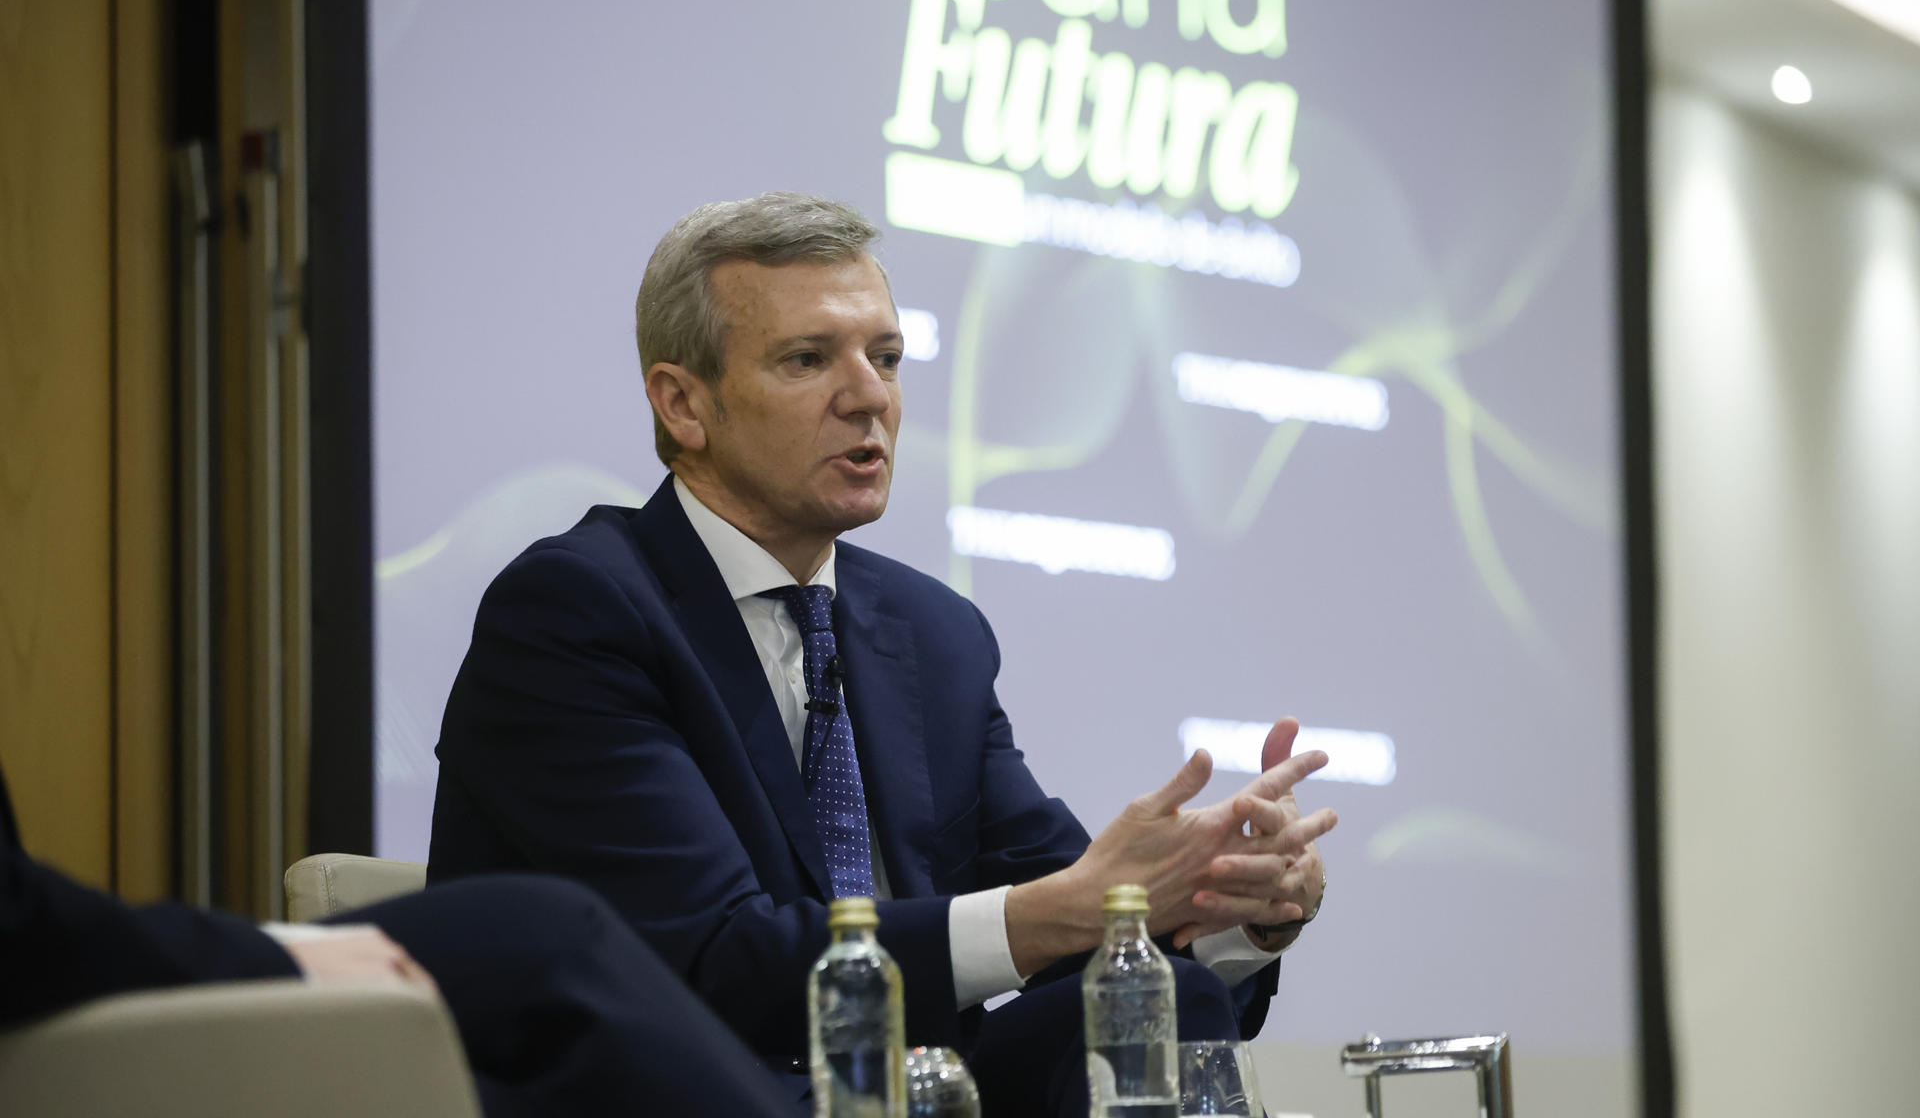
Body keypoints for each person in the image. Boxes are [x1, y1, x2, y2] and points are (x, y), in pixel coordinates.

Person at [427, 192, 1336, 1116]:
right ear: (684, 403)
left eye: (887, 358)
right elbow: (718, 965)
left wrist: (1226, 908)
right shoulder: (575, 614)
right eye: (809, 359)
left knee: (1163, 997)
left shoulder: (930, 632)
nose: (869, 396)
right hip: (679, 1090)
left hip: (915, 1098)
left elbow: (1082, 905)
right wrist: (1063, 908)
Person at [0, 760, 803, 1117]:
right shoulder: (581, 595)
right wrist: (278, 955)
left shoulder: (911, 614)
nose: (874, 401)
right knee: (546, 935)